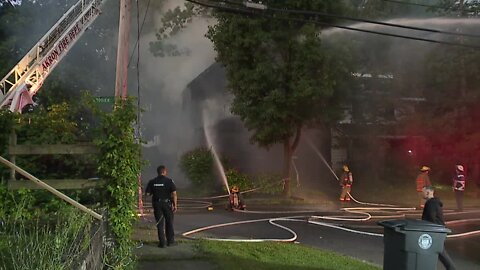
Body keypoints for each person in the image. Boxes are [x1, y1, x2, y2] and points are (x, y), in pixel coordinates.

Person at [421, 185, 456, 270]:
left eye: (423, 192)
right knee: (436, 251)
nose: (422, 194)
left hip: (435, 231)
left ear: (428, 192)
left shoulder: (431, 203)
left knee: (438, 251)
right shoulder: (434, 202)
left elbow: (431, 218)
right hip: (438, 230)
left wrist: (423, 227)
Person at [145, 165, 177, 248]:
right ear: (164, 172)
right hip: (167, 204)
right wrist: (175, 205)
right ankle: (170, 241)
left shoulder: (152, 182)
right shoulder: (169, 181)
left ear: (158, 172)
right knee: (169, 222)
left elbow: (147, 194)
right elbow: (174, 194)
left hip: (157, 204)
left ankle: (162, 243)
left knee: (160, 223)